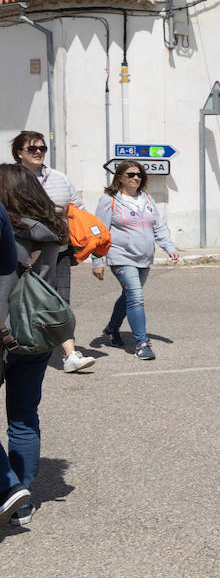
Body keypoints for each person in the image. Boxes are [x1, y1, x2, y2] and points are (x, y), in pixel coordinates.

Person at [0, 163, 70, 526]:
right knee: (25, 417)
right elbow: (60, 288)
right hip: (38, 335)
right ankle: (21, 504)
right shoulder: (55, 231)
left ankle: (9, 487)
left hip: (4, 334)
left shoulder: (6, 231)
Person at [10, 130, 95, 372]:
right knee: (20, 301)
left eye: (42, 148)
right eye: (31, 148)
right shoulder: (11, 179)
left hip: (58, 250)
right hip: (23, 253)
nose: (38, 152)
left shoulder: (59, 178)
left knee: (60, 301)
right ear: (19, 153)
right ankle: (19, 346)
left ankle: (69, 355)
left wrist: (89, 240)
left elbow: (78, 208)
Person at [92, 160, 179, 361]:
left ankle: (112, 329)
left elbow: (158, 226)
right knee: (136, 297)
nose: (136, 178)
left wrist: (169, 247)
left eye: (139, 174)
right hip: (121, 256)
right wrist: (97, 261)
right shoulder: (110, 199)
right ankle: (141, 343)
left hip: (144, 257)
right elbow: (100, 232)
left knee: (129, 295)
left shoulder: (146, 198)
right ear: (120, 177)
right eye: (130, 174)